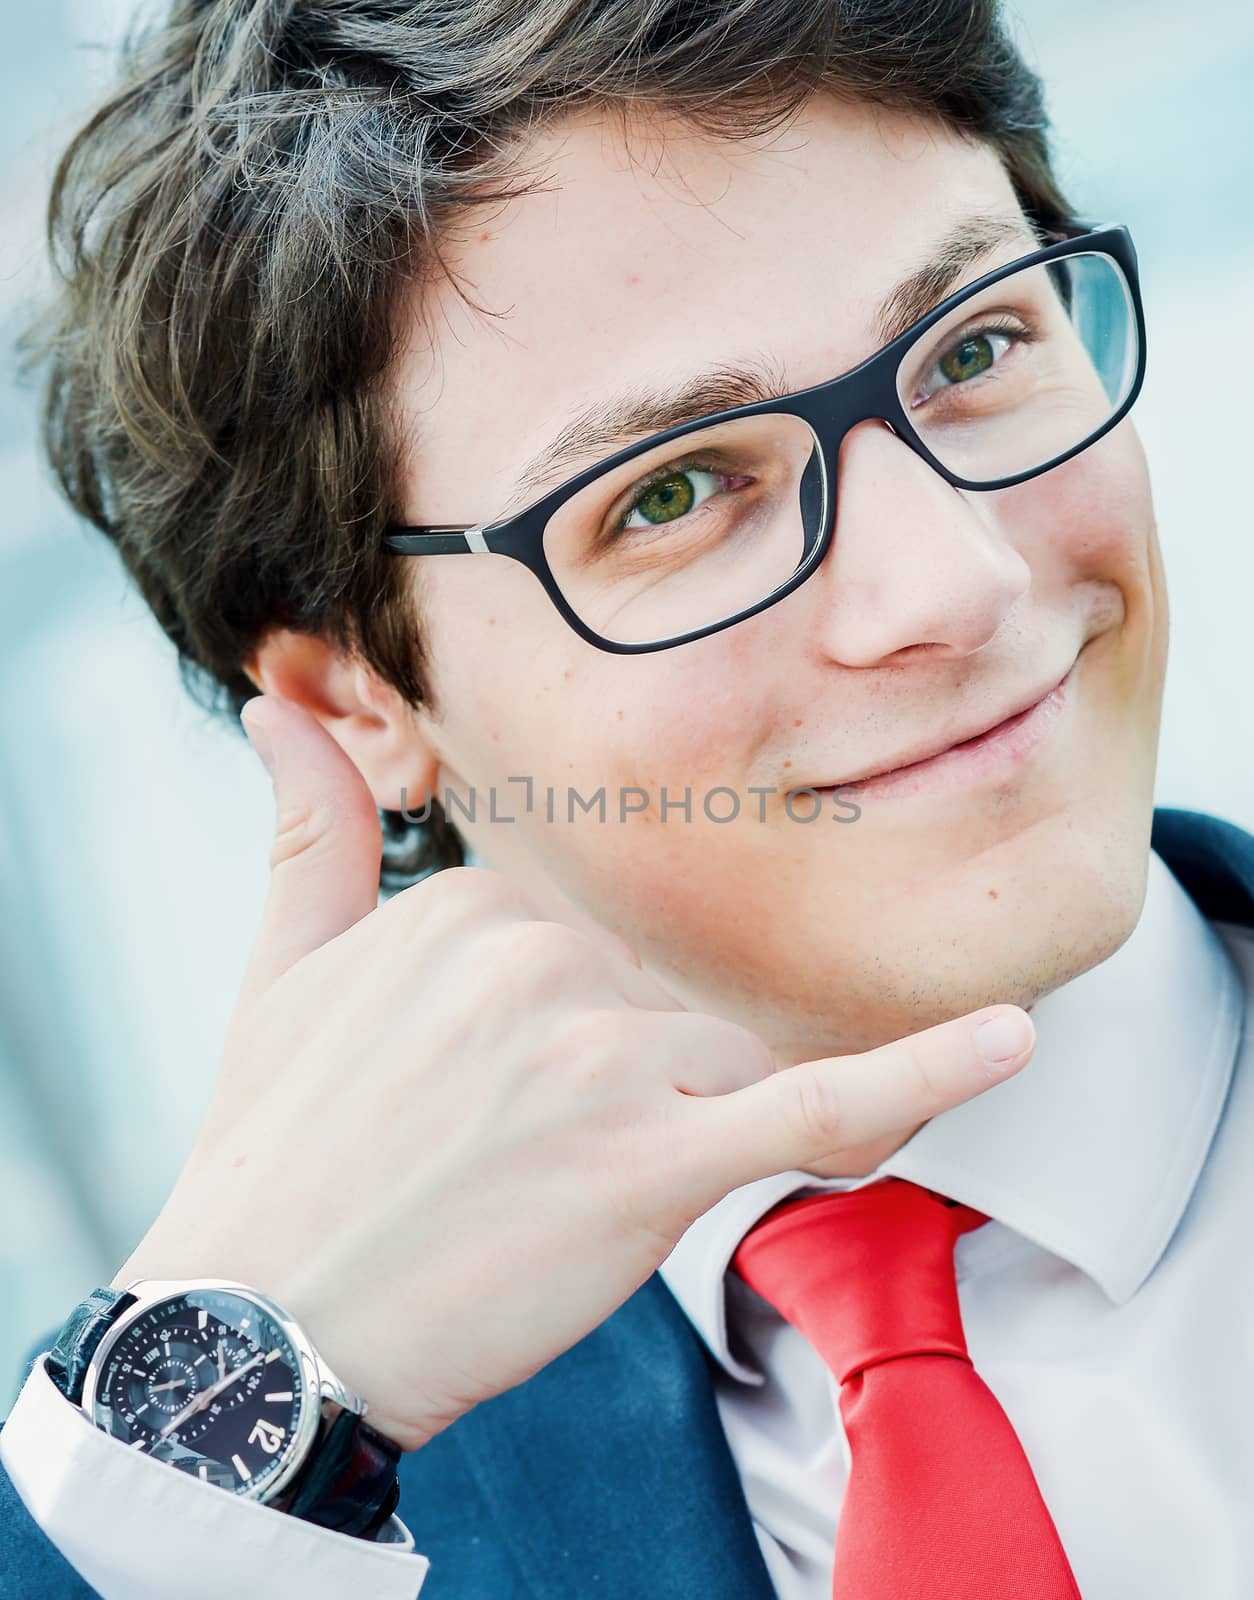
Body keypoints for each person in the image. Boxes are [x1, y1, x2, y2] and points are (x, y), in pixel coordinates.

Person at [3, 0, 1253, 1595]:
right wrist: (201, 1438)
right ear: (358, 700)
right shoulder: (257, 1520)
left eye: (976, 347)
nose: (959, 576)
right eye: (669, 492)